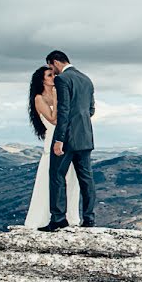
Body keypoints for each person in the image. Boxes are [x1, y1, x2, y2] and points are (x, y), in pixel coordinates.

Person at [41, 50, 96, 231]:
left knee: (56, 175)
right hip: (85, 136)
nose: (52, 70)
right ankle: (89, 219)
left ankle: (58, 219)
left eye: (50, 66)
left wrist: (59, 139)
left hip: (68, 138)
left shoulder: (63, 79)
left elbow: (63, 111)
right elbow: (91, 110)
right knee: (86, 179)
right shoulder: (86, 79)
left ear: (55, 62)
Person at [24, 66, 81, 228]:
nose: (54, 77)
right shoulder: (38, 99)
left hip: (67, 142)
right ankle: (44, 218)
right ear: (42, 80)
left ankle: (71, 217)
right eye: (50, 75)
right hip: (53, 142)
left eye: (54, 74)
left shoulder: (59, 93)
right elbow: (54, 120)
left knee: (71, 179)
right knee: (50, 181)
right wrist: (56, 99)